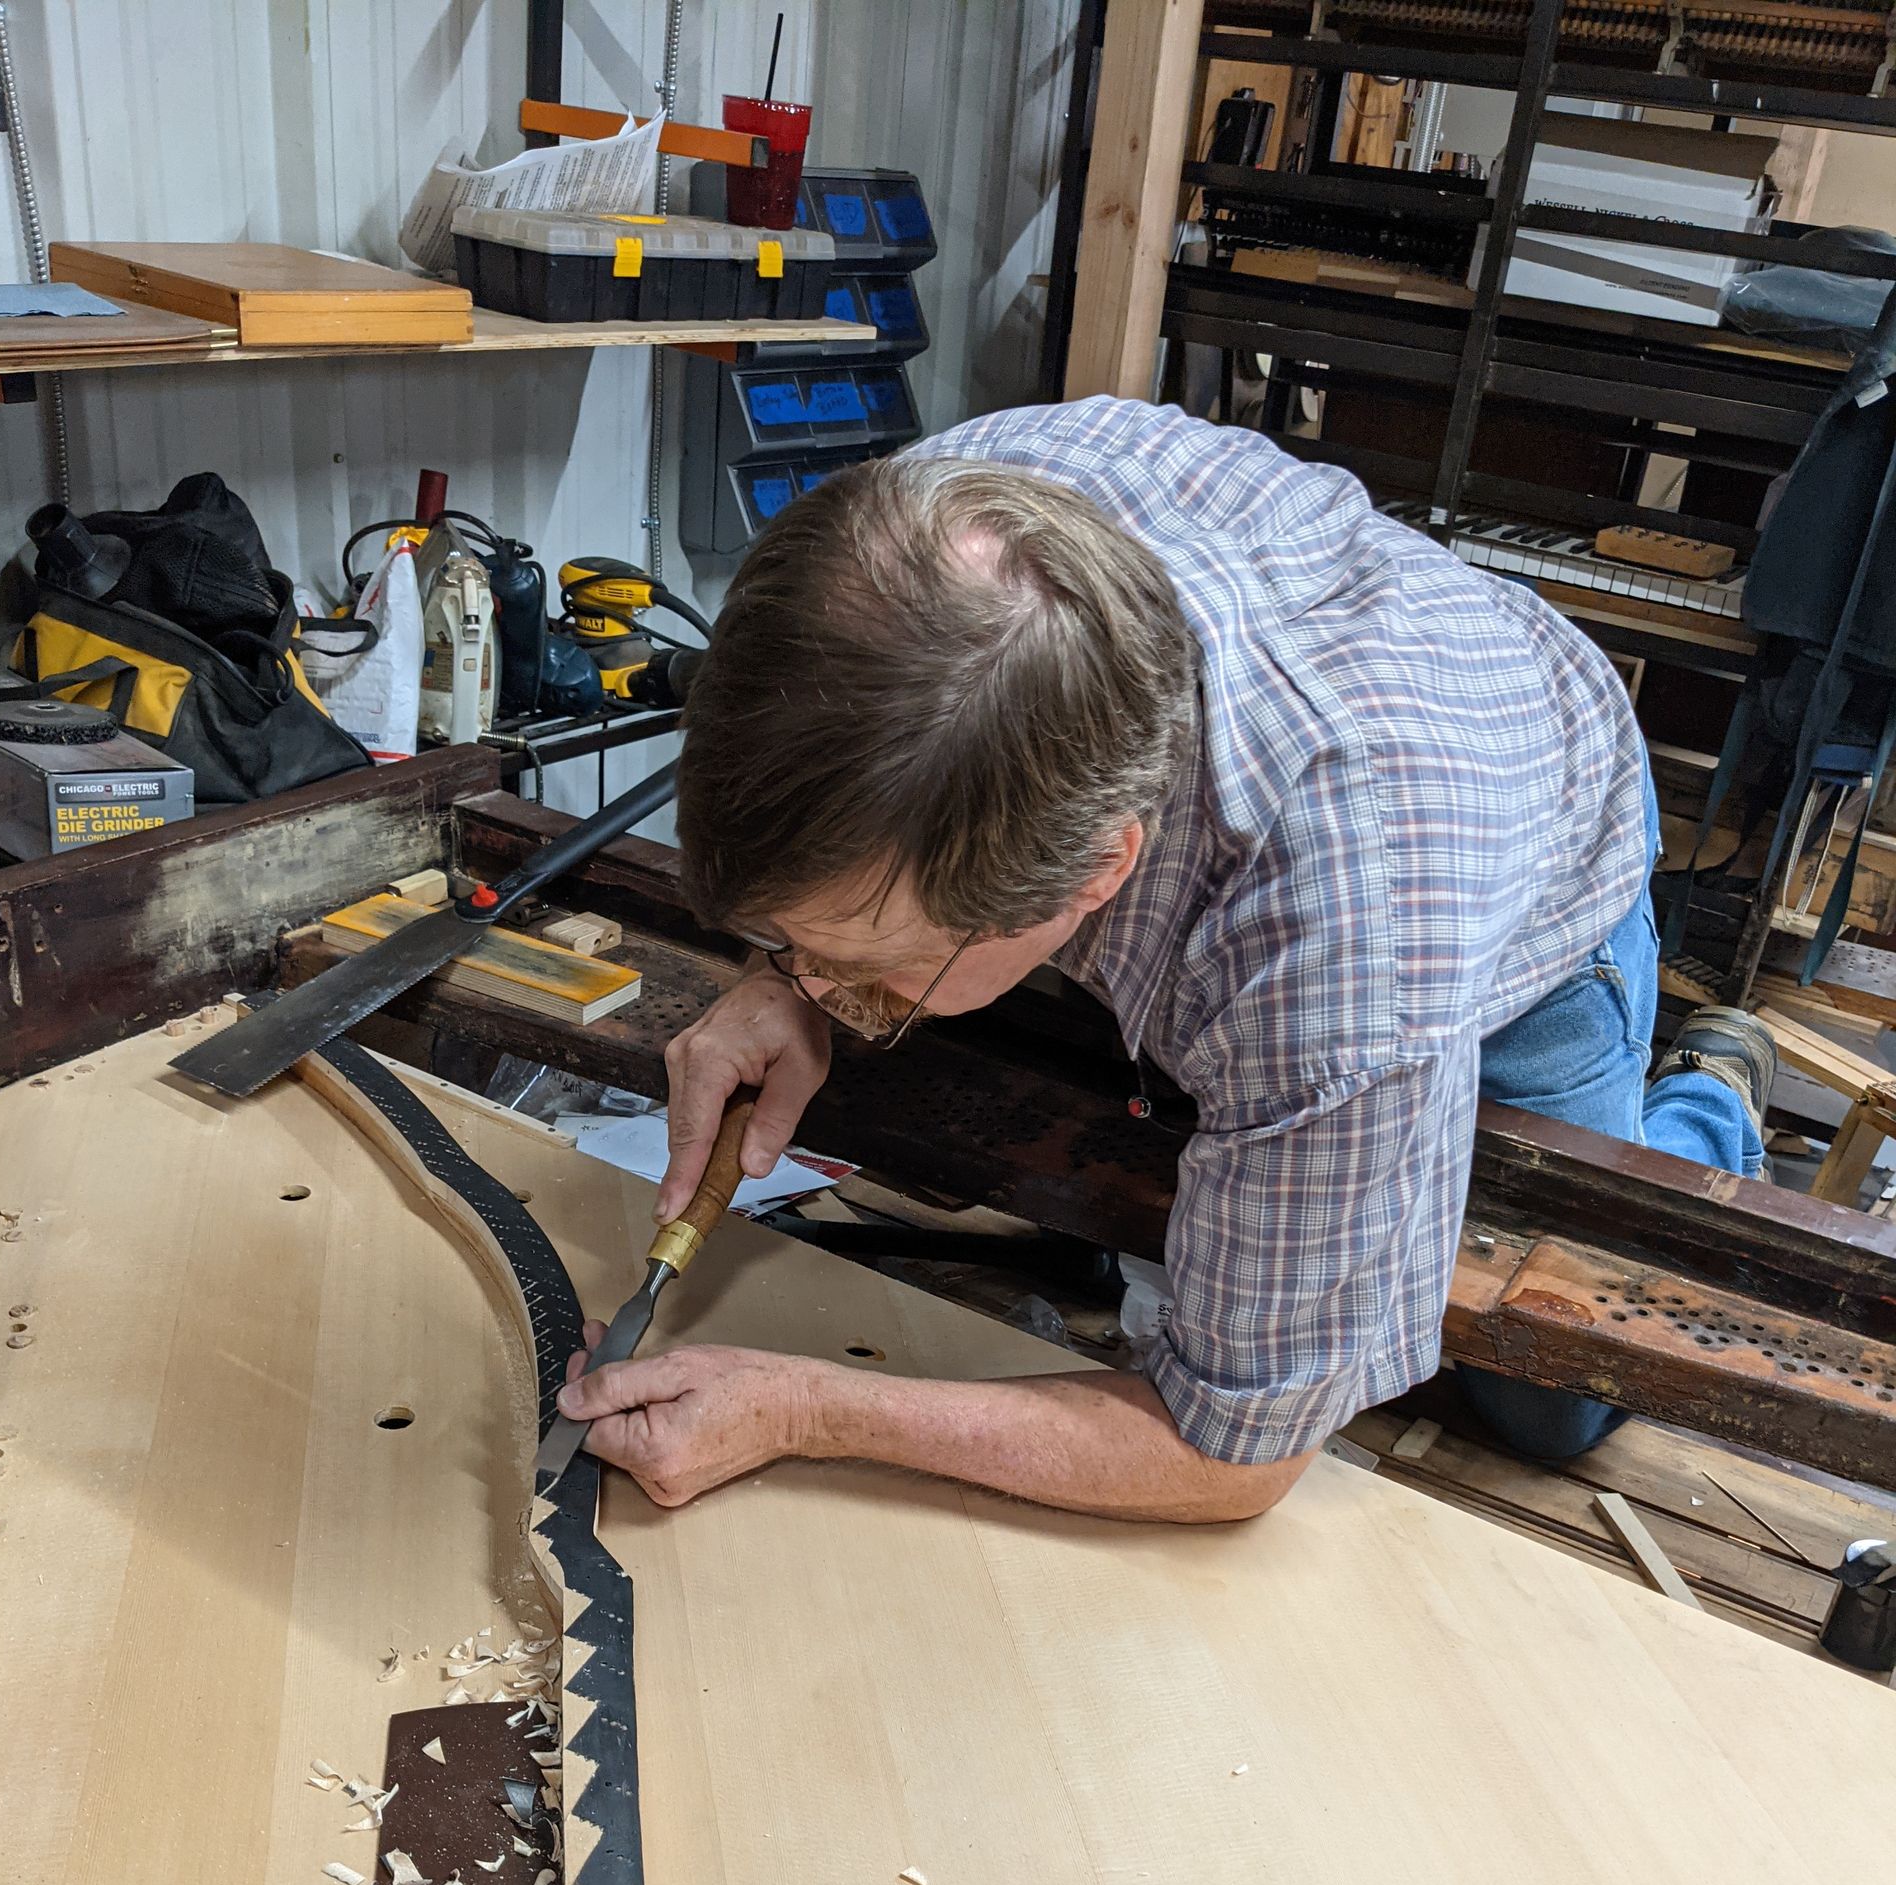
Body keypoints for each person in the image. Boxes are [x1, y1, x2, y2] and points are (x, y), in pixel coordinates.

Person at [556, 397, 1774, 1522]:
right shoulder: (908, 553)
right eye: (792, 947)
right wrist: (799, 971)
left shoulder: (1347, 936)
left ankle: (1714, 1093)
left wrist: (811, 1409)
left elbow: (1233, 1453)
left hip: (1527, 863)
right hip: (1298, 773)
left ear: (1092, 875)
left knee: (1539, 1400)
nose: (822, 982)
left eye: (863, 959)